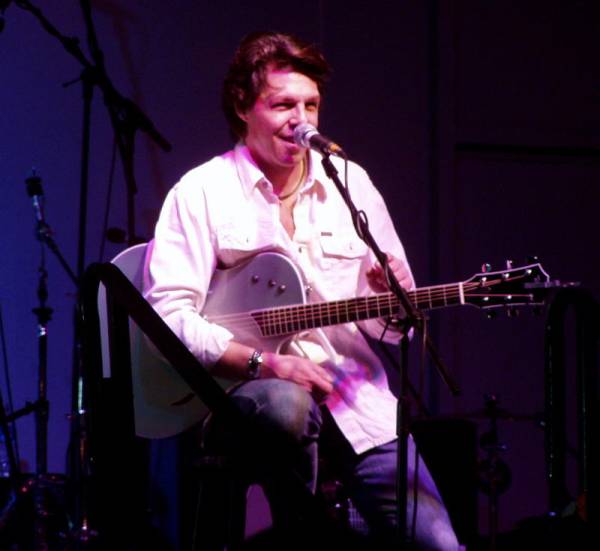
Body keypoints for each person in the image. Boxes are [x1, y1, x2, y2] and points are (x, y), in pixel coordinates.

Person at [144, 31, 460, 550]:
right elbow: (168, 315)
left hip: (354, 398)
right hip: (247, 393)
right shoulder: (202, 191)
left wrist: (398, 301)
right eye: (283, 104)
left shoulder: (350, 184)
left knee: (439, 543)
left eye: (311, 104)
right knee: (285, 406)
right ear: (243, 107)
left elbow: (384, 327)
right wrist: (264, 364)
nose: (302, 119)